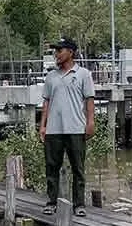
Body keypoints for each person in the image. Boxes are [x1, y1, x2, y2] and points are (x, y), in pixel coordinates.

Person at [38, 37, 95, 216]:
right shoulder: (51, 76)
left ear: (71, 52)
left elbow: (89, 100)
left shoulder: (83, 74)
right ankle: (51, 202)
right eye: (55, 51)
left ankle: (79, 205)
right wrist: (43, 126)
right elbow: (46, 102)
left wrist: (90, 122)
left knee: (78, 168)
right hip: (54, 130)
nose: (56, 54)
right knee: (51, 167)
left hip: (76, 129)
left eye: (60, 50)